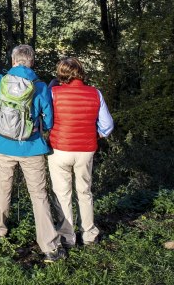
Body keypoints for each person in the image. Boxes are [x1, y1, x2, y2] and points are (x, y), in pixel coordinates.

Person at [0, 44, 65, 262]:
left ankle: (0, 230)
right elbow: (49, 120)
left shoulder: (0, 82)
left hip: (2, 146)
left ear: (13, 61)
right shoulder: (40, 86)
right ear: (31, 62)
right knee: (39, 195)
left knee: (4, 188)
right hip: (31, 148)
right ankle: (49, 247)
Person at [47, 57, 114, 248]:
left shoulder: (54, 93)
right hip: (86, 149)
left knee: (62, 194)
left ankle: (67, 237)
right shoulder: (95, 93)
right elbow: (107, 125)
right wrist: (97, 135)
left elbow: (47, 120)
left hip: (60, 149)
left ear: (61, 73)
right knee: (84, 192)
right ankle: (89, 234)